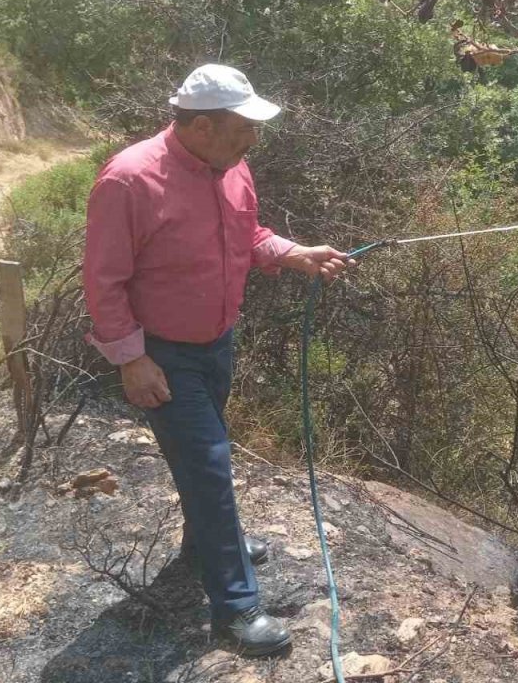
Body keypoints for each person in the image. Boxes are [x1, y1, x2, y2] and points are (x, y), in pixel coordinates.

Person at [82, 64, 352, 656]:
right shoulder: (129, 180)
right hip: (164, 353)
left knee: (201, 462)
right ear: (201, 126)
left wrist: (293, 252)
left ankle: (203, 543)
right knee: (210, 464)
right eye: (241, 129)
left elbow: (248, 235)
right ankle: (236, 608)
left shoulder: (232, 167)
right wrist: (132, 359)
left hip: (217, 342)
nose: (252, 139)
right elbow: (103, 282)